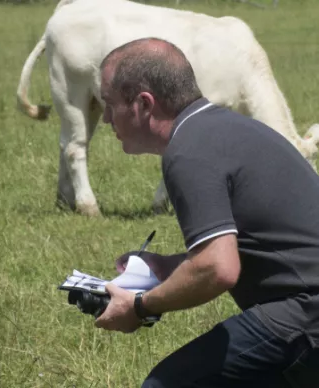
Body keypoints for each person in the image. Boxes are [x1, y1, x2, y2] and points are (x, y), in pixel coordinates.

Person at [93, 37, 319, 388]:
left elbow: (218, 268)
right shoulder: (224, 128)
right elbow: (250, 245)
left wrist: (139, 306)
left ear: (142, 104)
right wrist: (167, 266)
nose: (106, 117)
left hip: (306, 314)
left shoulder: (188, 153)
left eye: (109, 104)